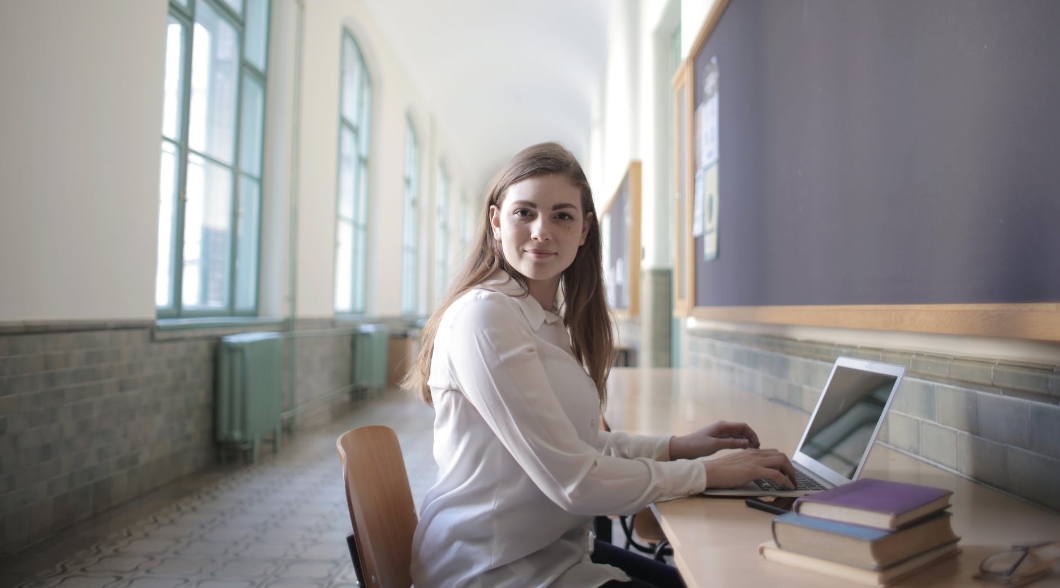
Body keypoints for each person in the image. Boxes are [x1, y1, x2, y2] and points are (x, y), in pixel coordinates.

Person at [403, 142, 796, 588]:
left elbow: (575, 447)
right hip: (492, 571)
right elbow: (575, 482)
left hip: (552, 554)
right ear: (496, 221)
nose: (541, 231)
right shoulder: (485, 317)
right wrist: (707, 474)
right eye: (524, 212)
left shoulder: (544, 319)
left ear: (585, 229)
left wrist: (677, 446)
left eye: (562, 215)